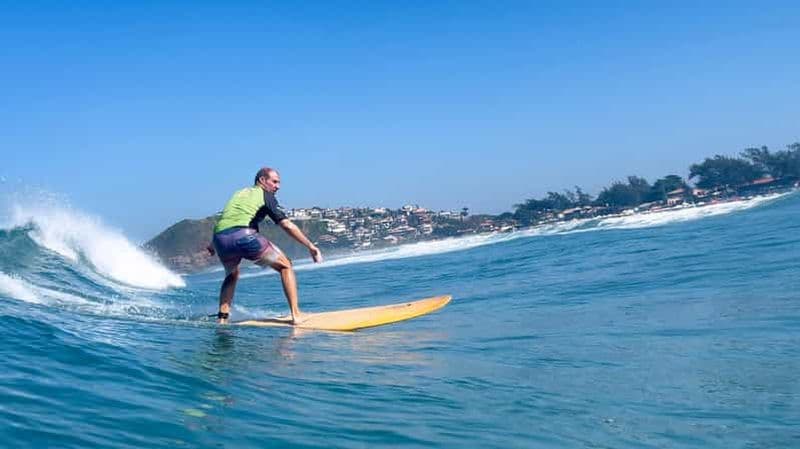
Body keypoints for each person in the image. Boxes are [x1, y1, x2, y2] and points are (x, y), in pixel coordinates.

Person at [207, 167, 323, 324]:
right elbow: (287, 225)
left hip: (220, 239)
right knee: (285, 265)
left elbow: (227, 220)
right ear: (262, 180)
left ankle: (222, 319)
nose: (278, 186)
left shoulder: (238, 194)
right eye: (274, 182)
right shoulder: (265, 195)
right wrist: (311, 246)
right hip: (244, 237)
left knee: (231, 275)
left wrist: (212, 245)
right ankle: (296, 315)